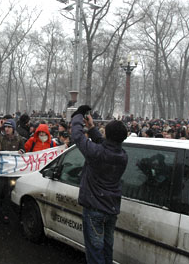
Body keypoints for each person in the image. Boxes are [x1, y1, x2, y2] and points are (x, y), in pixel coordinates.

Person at [71, 105, 128, 264]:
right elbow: (106, 144)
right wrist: (92, 128)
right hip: (111, 209)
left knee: (95, 253)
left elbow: (77, 136)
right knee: (106, 249)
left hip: (95, 209)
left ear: (107, 135)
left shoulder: (96, 153)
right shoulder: (123, 156)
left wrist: (78, 115)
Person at [0, 119, 25, 224]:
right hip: (1, 171)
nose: (7, 129)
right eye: (5, 127)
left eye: (9, 127)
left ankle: (6, 213)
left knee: (8, 193)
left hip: (12, 172)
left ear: (13, 129)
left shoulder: (19, 139)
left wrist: (22, 151)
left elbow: (23, 149)